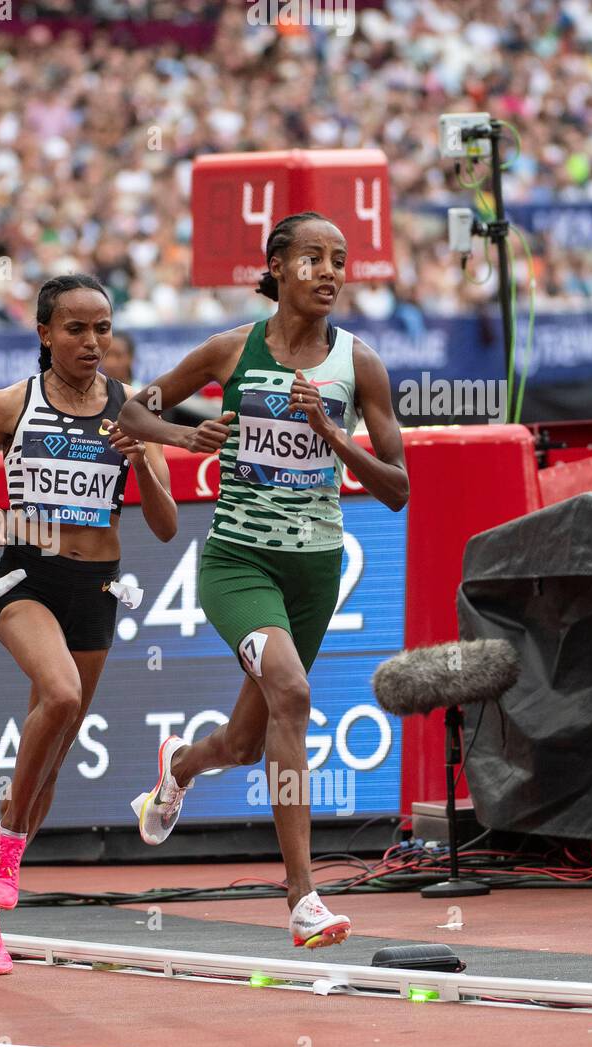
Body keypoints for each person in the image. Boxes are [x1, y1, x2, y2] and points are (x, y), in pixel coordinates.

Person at [117, 212, 409, 949]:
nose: (330, 272)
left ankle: (179, 766)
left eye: (340, 260)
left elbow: (400, 487)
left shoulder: (359, 364)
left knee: (247, 741)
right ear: (275, 267)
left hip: (316, 568)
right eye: (312, 258)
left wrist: (335, 438)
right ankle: (303, 894)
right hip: (238, 561)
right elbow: (131, 409)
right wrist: (187, 435)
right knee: (296, 692)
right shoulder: (230, 350)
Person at [0, 274, 177, 975]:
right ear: (45, 333)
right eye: (76, 329)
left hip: (97, 587)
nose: (92, 341)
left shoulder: (131, 410)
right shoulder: (12, 403)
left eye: (102, 328)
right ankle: (8, 852)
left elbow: (164, 528)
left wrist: (148, 472)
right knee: (63, 693)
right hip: (26, 578)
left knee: (49, 756)